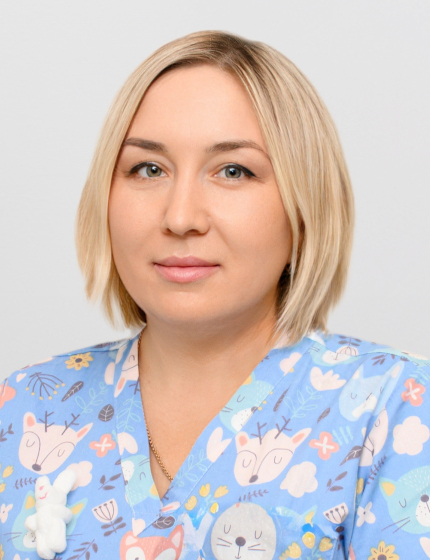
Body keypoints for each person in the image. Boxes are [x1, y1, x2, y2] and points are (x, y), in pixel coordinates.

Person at [1, 30, 429, 560]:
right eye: (148, 169)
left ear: (304, 207)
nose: (181, 217)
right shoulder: (24, 409)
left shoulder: (396, 409)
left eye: (233, 171)